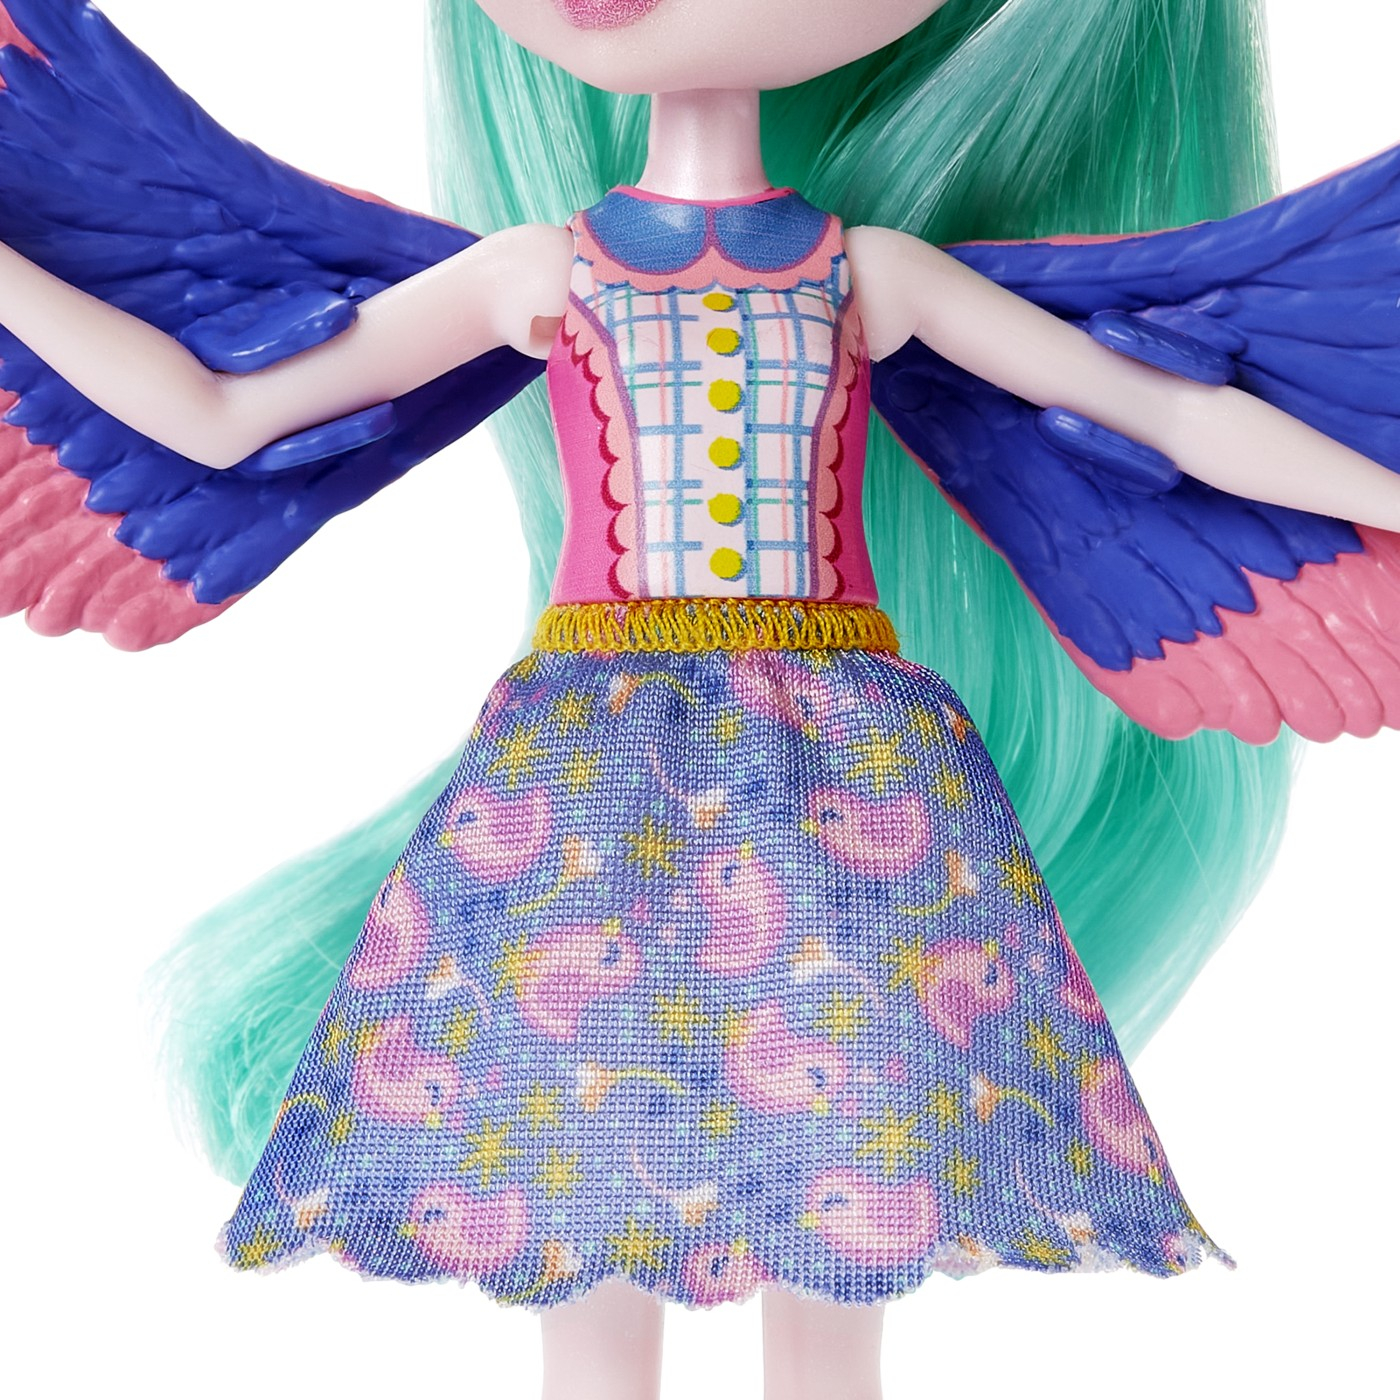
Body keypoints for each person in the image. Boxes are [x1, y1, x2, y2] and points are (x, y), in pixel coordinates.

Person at [1, 3, 1396, 1399]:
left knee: (845, 1179)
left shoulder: (867, 272)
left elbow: (1171, 415)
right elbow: (219, 415)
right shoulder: (542, 271)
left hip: (833, 770)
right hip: (597, 769)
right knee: (583, 1164)